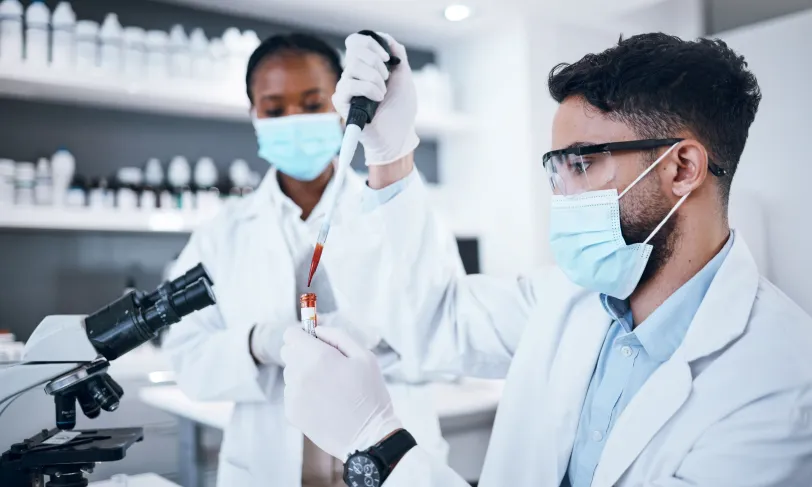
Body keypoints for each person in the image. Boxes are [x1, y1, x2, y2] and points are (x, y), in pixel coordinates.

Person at [280, 32, 812, 487]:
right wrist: (390, 153)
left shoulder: (781, 384)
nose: (561, 194)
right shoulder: (570, 298)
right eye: (555, 169)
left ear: (682, 168)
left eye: (581, 164)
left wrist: (380, 446)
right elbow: (437, 319)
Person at [161, 33, 462, 487]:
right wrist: (256, 345)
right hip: (267, 465)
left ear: (340, 105)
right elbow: (187, 357)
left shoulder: (395, 208)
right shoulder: (221, 234)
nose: (294, 120)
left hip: (390, 458)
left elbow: (450, 327)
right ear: (253, 114)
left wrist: (383, 336)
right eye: (274, 109)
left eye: (311, 103)